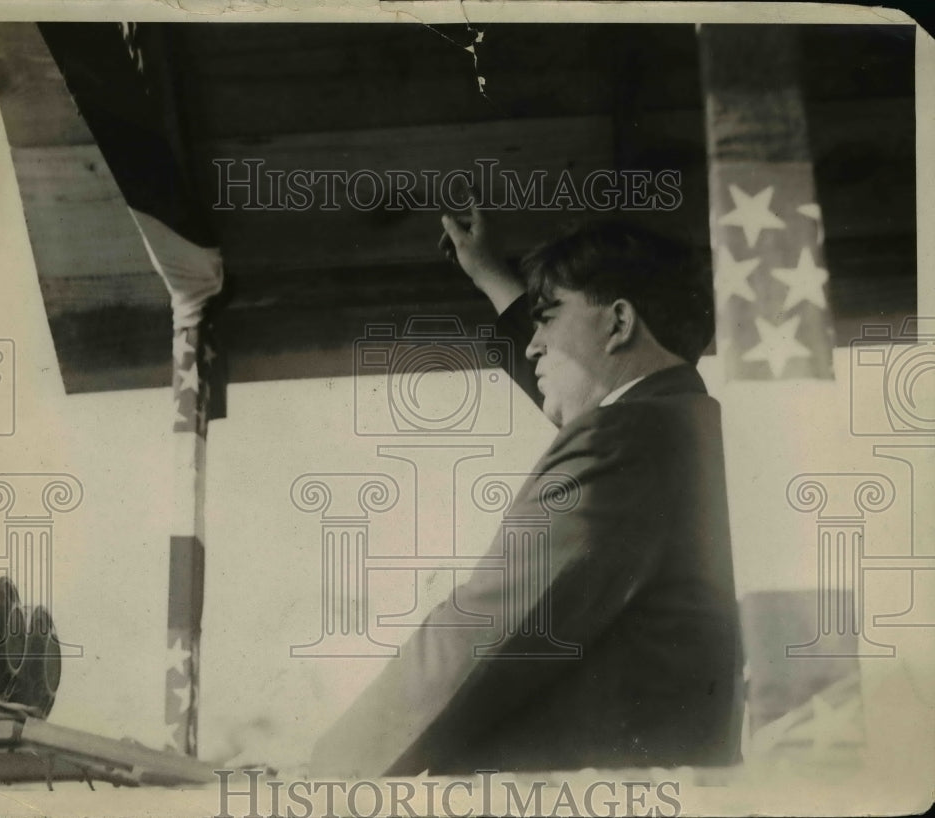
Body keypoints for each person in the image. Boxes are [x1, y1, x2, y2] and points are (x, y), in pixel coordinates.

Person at [308, 203, 744, 777]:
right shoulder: (671, 419)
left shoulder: (625, 438)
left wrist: (322, 778)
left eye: (547, 319)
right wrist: (495, 280)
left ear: (618, 323)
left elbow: (484, 632)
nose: (534, 347)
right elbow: (584, 390)